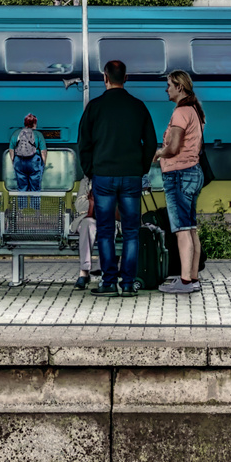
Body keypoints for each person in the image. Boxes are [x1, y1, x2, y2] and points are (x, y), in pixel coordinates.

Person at [78, 59, 157, 297]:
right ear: (126, 78)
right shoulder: (138, 106)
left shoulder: (95, 106)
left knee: (105, 230)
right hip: (131, 176)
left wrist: (92, 171)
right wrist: (140, 169)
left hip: (103, 176)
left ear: (105, 78)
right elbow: (151, 143)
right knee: (132, 231)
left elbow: (84, 144)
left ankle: (109, 283)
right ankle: (128, 284)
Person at [154, 69, 206, 294]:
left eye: (169, 85)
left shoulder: (180, 112)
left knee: (182, 230)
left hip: (179, 174)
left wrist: (157, 153)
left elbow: (173, 148)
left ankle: (184, 281)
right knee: (192, 228)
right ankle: (193, 278)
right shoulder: (195, 110)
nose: (166, 89)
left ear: (179, 87)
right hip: (193, 172)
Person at [9, 113, 47, 209]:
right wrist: (43, 164)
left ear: (25, 123)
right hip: (34, 161)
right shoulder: (38, 135)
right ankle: (36, 212)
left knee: (22, 187)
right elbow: (43, 152)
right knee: (35, 188)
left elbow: (11, 149)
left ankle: (21, 211)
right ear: (35, 123)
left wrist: (13, 161)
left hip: (19, 161)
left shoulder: (16, 133)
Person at [72, 184, 98, 290]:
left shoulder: (115, 176)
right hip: (90, 217)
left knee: (110, 227)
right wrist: (103, 202)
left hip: (111, 217)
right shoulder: (87, 181)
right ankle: (84, 271)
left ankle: (106, 272)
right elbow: (79, 205)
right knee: (87, 224)